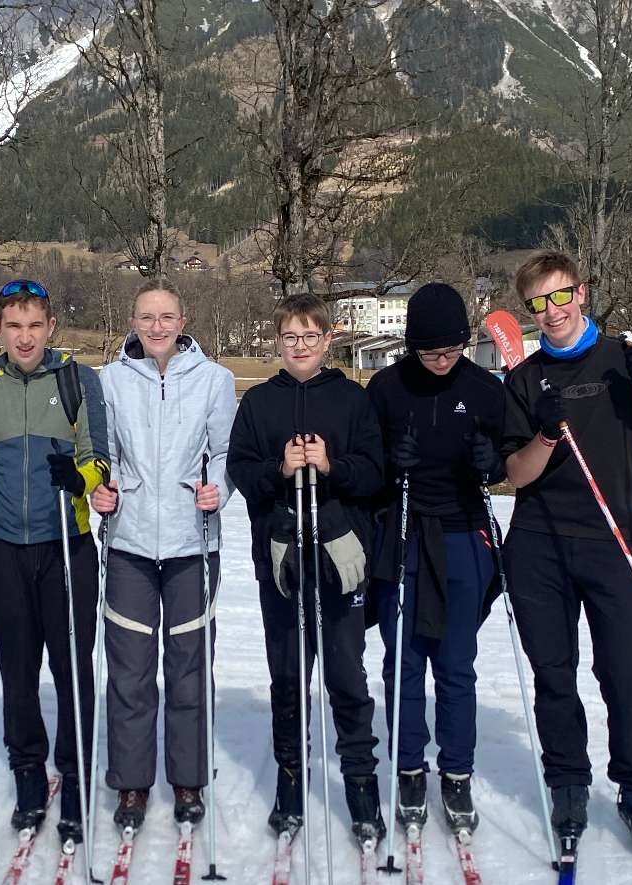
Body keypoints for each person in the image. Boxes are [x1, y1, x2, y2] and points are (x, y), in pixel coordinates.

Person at [500, 250, 632, 854]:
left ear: (580, 293)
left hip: (613, 546)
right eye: (537, 303)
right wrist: (548, 433)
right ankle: (568, 785)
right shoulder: (524, 379)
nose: (551, 312)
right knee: (554, 676)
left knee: (627, 675)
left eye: (560, 297)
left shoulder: (620, 362)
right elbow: (516, 475)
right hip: (539, 549)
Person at [0, 279, 110, 844]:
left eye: (35, 325)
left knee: (72, 668)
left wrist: (82, 477)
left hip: (65, 546)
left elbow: (101, 458)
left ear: (51, 329)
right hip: (0, 547)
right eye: (13, 326)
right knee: (16, 670)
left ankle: (73, 777)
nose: (25, 336)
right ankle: (27, 771)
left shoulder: (76, 380)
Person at [226, 293, 386, 843]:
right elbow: (240, 473)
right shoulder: (259, 403)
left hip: (341, 555)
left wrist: (330, 465)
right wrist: (280, 467)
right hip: (282, 557)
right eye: (290, 337)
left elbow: (374, 473)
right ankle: (291, 781)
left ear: (327, 340)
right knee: (290, 675)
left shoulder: (351, 398)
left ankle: (361, 786)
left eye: (310, 336)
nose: (300, 346)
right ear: (278, 341)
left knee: (345, 674)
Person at [90, 278, 237, 832]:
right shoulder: (109, 380)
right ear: (133, 321)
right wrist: (98, 490)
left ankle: (188, 778)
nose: (156, 326)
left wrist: (218, 488)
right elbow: (98, 455)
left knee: (190, 668)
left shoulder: (215, 380)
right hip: (127, 539)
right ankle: (131, 782)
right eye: (146, 317)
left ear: (182, 320)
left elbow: (225, 451)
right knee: (129, 671)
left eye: (166, 317)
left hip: (191, 540)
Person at [365, 283, 505, 835]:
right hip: (403, 533)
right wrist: (385, 462)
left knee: (455, 663)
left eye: (451, 351)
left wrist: (490, 462)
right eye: (430, 353)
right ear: (412, 347)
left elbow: (508, 457)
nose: (443, 362)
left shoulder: (483, 388)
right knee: (402, 662)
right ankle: (408, 768)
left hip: (463, 535)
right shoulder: (386, 388)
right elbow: (363, 464)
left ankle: (457, 773)